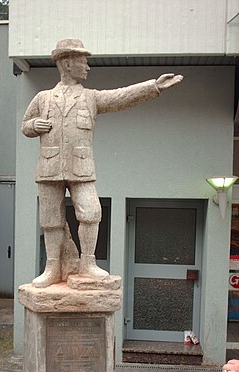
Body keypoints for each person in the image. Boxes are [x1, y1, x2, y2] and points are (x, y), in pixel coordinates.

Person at [22, 38, 183, 288]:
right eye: (83, 62)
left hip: (81, 168)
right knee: (50, 219)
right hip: (50, 167)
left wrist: (154, 87)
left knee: (91, 212)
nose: (88, 68)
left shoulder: (91, 98)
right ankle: (52, 267)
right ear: (66, 64)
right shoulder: (43, 98)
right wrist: (34, 125)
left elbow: (121, 97)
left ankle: (87, 262)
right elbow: (25, 125)